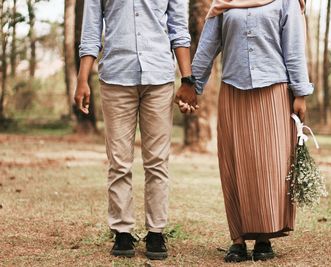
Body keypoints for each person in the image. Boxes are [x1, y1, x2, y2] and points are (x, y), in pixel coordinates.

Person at [175, 0, 312, 262]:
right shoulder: (223, 3)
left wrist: (300, 93)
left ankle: (263, 238)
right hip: (233, 91)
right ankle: (237, 240)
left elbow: (294, 48)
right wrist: (192, 84)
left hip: (273, 91)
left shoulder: (286, 2)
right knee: (234, 164)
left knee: (269, 166)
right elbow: (208, 45)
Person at [75, 0, 193, 260]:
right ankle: (122, 232)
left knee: (157, 161)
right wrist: (83, 79)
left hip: (159, 78)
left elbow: (179, 30)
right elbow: (92, 31)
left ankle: (156, 232)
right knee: (119, 161)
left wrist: (187, 79)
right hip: (116, 78)